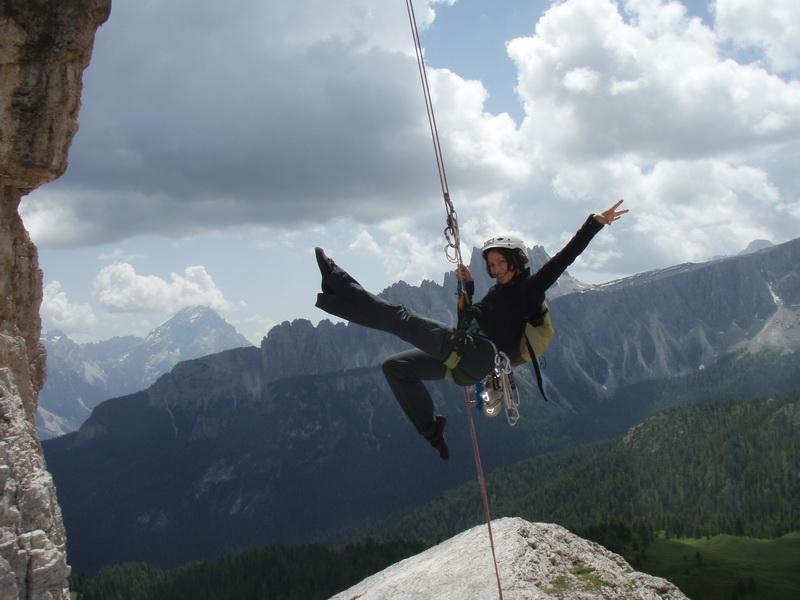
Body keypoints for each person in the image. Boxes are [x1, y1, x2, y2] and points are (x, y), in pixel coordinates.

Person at [314, 200, 628, 460]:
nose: (495, 270)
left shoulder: (530, 290)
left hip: (476, 356)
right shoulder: (494, 294)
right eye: (491, 265)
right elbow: (468, 322)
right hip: (466, 362)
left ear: (516, 261)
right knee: (395, 368)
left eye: (500, 263)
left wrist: (594, 223)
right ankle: (431, 431)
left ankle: (336, 279)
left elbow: (564, 258)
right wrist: (469, 288)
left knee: (401, 318)